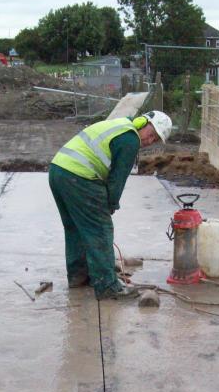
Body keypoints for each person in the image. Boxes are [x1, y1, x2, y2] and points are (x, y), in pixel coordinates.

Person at [49, 110, 172, 300]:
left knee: (75, 228)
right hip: (79, 177)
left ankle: (78, 276)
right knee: (100, 229)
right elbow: (117, 180)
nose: (149, 141)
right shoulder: (130, 140)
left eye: (155, 140)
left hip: (58, 171)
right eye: (151, 134)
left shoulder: (121, 125)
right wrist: (110, 205)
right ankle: (107, 286)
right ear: (144, 123)